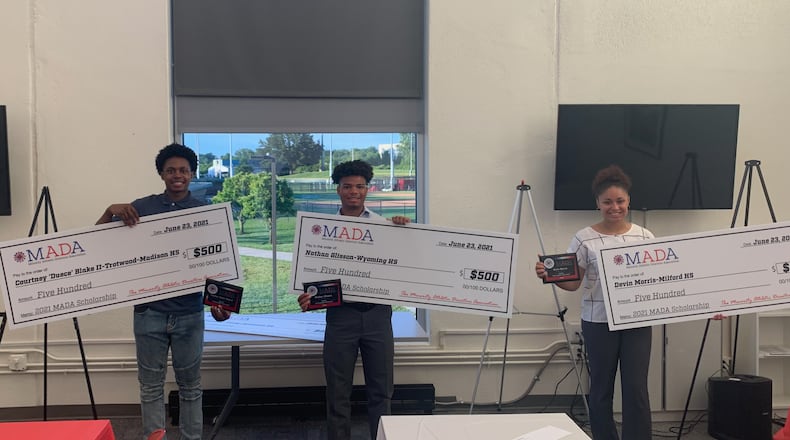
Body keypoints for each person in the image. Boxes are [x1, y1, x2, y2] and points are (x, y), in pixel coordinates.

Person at [96, 143, 230, 440]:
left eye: (183, 170)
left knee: (191, 387)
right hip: (149, 315)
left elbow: (217, 264)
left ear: (192, 174)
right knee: (150, 386)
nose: (177, 175)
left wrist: (220, 305)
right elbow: (98, 247)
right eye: (171, 170)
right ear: (161, 173)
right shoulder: (141, 208)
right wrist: (108, 212)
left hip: (190, 314)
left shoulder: (205, 212)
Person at [535, 164, 653, 440]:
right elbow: (573, 282)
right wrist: (549, 275)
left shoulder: (645, 236)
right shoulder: (584, 238)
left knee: (636, 389)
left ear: (628, 201)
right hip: (598, 321)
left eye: (620, 201)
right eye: (608, 201)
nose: (615, 207)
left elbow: (658, 280)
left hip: (637, 322)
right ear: (598, 203)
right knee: (601, 389)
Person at [297, 159, 409, 440]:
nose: (354, 192)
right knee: (337, 391)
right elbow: (311, 274)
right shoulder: (322, 230)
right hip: (340, 317)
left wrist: (404, 230)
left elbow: (404, 262)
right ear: (338, 190)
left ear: (368, 190)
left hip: (378, 316)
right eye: (348, 186)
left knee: (381, 391)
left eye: (360, 186)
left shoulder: (385, 227)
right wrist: (307, 296)